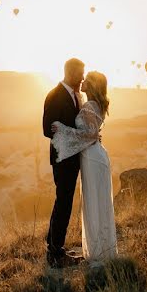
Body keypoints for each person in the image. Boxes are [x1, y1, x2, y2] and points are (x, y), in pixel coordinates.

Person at [50, 70, 118, 265]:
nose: (83, 80)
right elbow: (92, 133)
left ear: (93, 84)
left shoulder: (89, 105)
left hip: (92, 157)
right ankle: (102, 249)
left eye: (87, 79)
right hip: (95, 155)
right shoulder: (95, 104)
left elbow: (89, 134)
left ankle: (98, 252)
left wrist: (63, 131)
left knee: (94, 202)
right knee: (98, 202)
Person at [42, 58, 85, 268]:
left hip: (72, 158)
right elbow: (46, 129)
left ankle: (52, 244)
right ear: (70, 73)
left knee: (63, 201)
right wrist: (76, 136)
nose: (83, 78)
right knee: (64, 203)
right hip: (62, 158)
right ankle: (56, 253)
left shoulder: (76, 95)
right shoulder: (55, 95)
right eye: (80, 74)